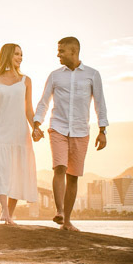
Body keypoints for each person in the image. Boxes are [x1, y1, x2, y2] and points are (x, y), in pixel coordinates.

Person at [31, 36, 108, 231]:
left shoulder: (92, 74)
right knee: (60, 167)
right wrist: (36, 124)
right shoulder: (55, 75)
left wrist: (102, 130)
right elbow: (44, 101)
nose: (58, 54)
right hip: (58, 127)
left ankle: (66, 222)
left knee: (73, 176)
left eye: (61, 51)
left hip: (81, 131)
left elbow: (100, 103)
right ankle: (60, 211)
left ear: (73, 51)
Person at [0, 43, 39, 224]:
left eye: (21, 54)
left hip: (20, 132)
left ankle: (9, 214)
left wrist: (36, 127)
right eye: (16, 54)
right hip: (0, 131)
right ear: (7, 55)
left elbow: (29, 110)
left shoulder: (26, 81)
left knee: (18, 173)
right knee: (2, 170)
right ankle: (4, 211)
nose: (20, 58)